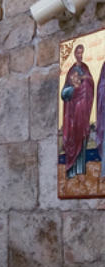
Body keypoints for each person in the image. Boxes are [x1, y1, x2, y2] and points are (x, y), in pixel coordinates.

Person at [61, 44, 94, 179]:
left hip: (83, 110)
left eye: (82, 52)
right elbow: (64, 93)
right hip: (73, 112)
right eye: (78, 53)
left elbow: (91, 85)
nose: (80, 55)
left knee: (82, 137)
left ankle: (80, 169)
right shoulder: (71, 71)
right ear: (75, 54)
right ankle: (71, 170)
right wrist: (74, 89)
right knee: (73, 138)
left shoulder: (85, 69)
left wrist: (85, 82)